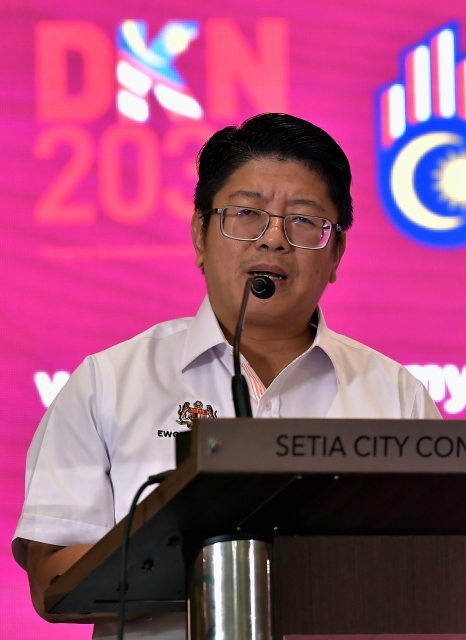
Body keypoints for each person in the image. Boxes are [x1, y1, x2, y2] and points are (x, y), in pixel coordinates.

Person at [14, 113, 441, 639]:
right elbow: (52, 580)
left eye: (304, 221)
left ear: (336, 254)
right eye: (246, 214)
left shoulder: (396, 398)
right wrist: (205, 549)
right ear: (200, 233)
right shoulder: (109, 383)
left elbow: (435, 567)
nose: (273, 240)